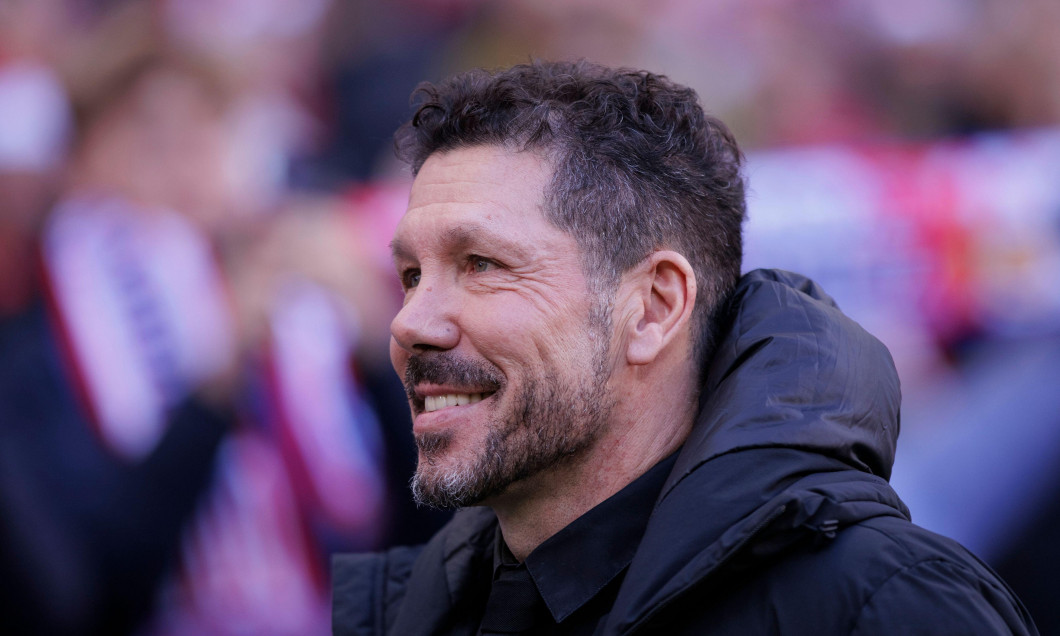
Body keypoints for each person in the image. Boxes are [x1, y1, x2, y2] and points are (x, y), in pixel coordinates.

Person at [331, 60, 1037, 635]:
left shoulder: (882, 610)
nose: (411, 322)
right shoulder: (412, 610)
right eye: (411, 275)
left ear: (655, 307)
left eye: (482, 265)